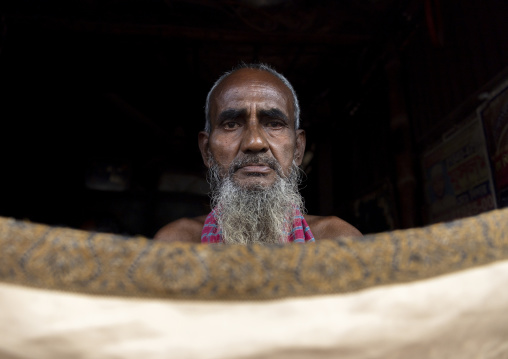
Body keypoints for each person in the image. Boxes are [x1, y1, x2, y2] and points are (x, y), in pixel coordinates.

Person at [155, 63, 361, 244]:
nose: (254, 142)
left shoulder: (339, 242)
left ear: (298, 149)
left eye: (274, 124)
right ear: (207, 151)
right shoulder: (177, 244)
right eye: (232, 124)